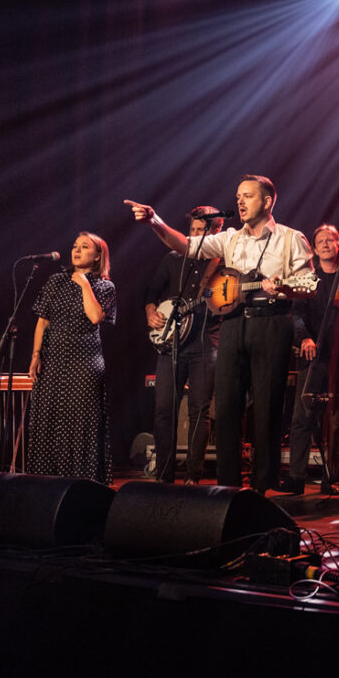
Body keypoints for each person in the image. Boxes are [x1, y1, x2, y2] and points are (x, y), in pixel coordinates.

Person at [126, 176, 311, 495]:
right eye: (238, 196)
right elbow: (185, 245)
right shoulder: (230, 238)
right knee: (225, 408)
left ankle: (263, 487)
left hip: (271, 322)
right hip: (233, 323)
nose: (240, 201)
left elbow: (309, 284)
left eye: (248, 196)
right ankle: (227, 489)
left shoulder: (291, 238)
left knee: (266, 408)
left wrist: (285, 288)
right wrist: (154, 221)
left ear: (267, 201)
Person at [282, 224, 339, 495]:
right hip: (314, 355)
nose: (324, 244)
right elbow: (297, 314)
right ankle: (296, 477)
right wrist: (305, 339)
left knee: (333, 421)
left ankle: (330, 477)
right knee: (302, 416)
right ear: (314, 248)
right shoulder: (309, 277)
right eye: (319, 241)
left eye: (330, 240)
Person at [27, 232, 117, 484]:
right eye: (75, 246)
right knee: (49, 417)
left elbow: (95, 317)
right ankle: (46, 483)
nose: (76, 250)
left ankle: (83, 482)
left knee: (81, 421)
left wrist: (85, 284)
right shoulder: (56, 281)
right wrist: (36, 355)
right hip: (53, 359)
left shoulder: (104, 286)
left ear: (97, 256)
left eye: (84, 247)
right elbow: (42, 321)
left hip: (84, 362)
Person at [144, 207, 224, 485]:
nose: (196, 235)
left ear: (216, 231)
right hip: (171, 343)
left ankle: (193, 476)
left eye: (202, 230)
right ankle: (164, 475)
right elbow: (151, 293)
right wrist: (151, 312)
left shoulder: (223, 263)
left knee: (199, 410)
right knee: (164, 409)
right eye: (193, 230)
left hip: (206, 342)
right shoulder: (173, 259)